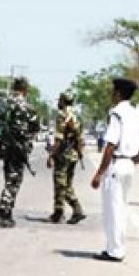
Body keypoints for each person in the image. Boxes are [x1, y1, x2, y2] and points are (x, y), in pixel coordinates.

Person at [91, 77, 139, 262]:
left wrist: (99, 173)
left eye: (113, 91)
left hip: (117, 164)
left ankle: (114, 250)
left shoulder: (116, 113)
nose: (112, 94)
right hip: (129, 164)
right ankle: (117, 247)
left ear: (119, 93)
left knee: (112, 210)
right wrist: (134, 160)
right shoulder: (136, 114)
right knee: (121, 207)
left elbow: (110, 145)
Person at [0, 77, 39, 228]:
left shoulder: (5, 104)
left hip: (6, 148)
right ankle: (2, 213)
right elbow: (34, 129)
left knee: (9, 178)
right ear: (25, 90)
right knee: (13, 182)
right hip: (19, 149)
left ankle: (7, 213)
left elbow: (0, 121)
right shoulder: (28, 108)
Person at [46, 89, 86, 224]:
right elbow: (81, 138)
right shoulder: (78, 115)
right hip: (74, 155)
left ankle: (59, 213)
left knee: (59, 184)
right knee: (67, 184)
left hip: (63, 154)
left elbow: (59, 138)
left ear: (63, 101)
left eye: (60, 100)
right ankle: (76, 210)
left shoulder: (62, 115)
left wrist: (51, 155)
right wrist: (80, 152)